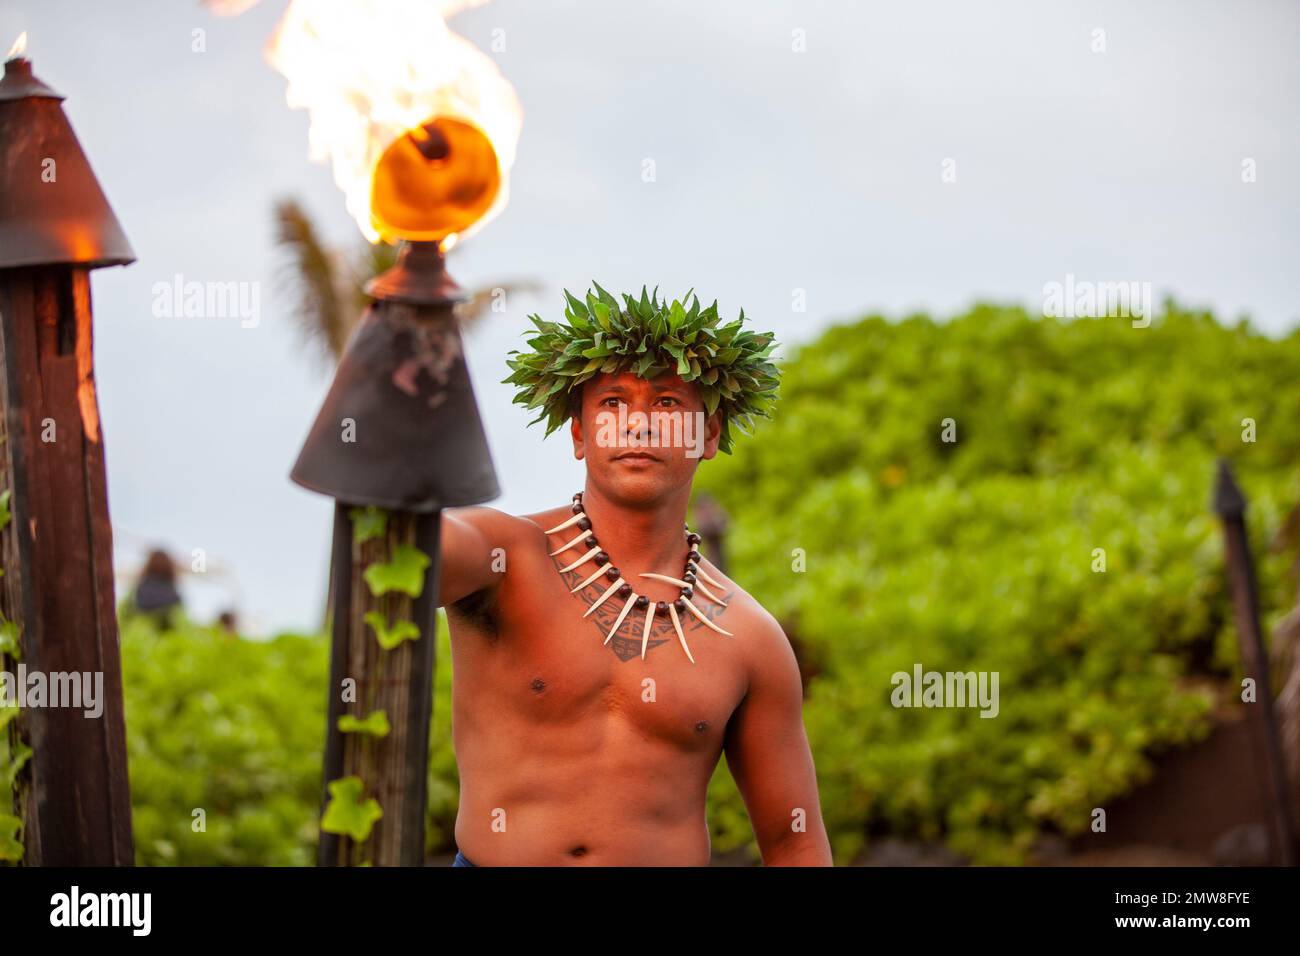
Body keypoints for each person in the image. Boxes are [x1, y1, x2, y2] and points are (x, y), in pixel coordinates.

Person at [438, 285, 832, 866]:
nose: (639, 427)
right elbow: (421, 550)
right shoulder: (506, 560)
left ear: (710, 435)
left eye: (668, 404)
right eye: (613, 404)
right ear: (579, 434)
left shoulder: (750, 640)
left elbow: (794, 841)